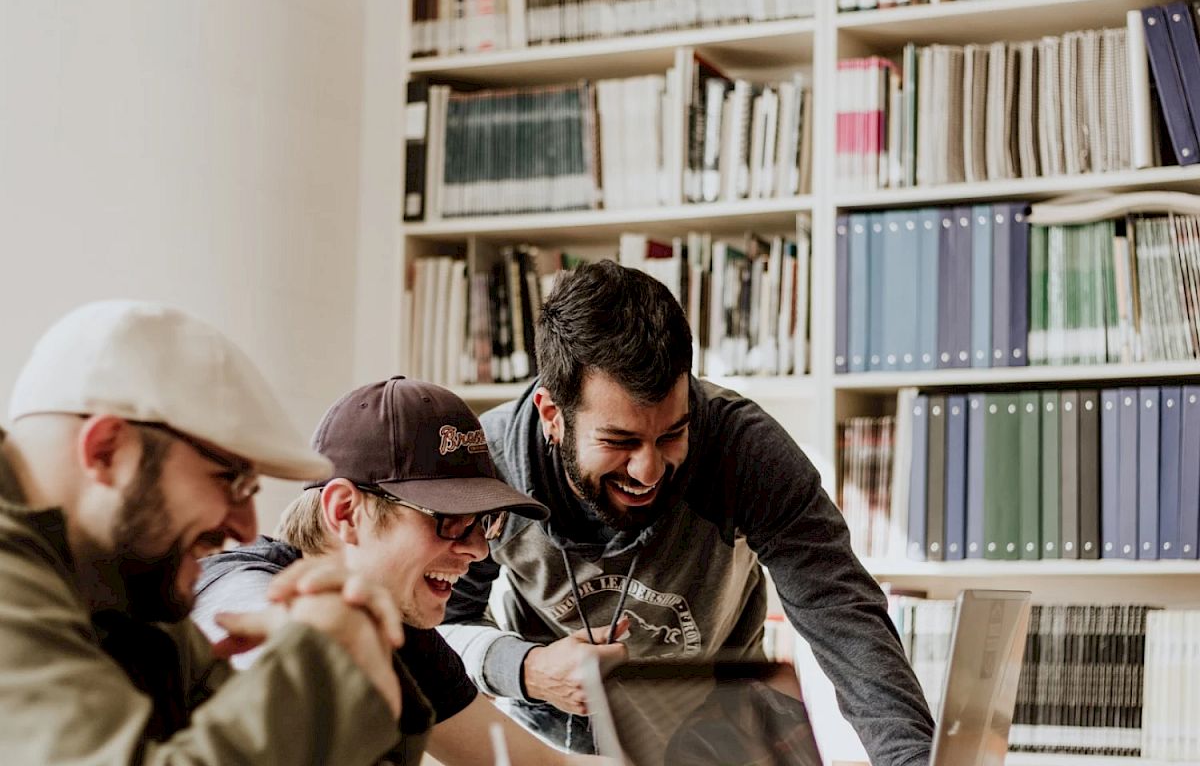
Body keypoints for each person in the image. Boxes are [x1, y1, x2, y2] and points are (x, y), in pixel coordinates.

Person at [439, 260, 936, 765]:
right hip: (552, 743)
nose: (649, 470)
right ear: (552, 415)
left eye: (671, 434)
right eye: (619, 441)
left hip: (721, 732)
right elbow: (438, 628)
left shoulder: (742, 448)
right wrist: (526, 669)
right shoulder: (490, 464)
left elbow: (842, 611)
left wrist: (911, 758)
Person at [0, 300, 409, 764]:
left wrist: (362, 650)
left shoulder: (130, 582)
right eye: (231, 480)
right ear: (106, 451)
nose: (247, 528)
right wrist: (324, 659)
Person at [193, 376, 609, 765]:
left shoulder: (403, 630)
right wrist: (308, 643)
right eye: (449, 518)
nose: (479, 550)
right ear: (345, 512)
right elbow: (257, 628)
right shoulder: (236, 582)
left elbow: (540, 763)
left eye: (486, 521)